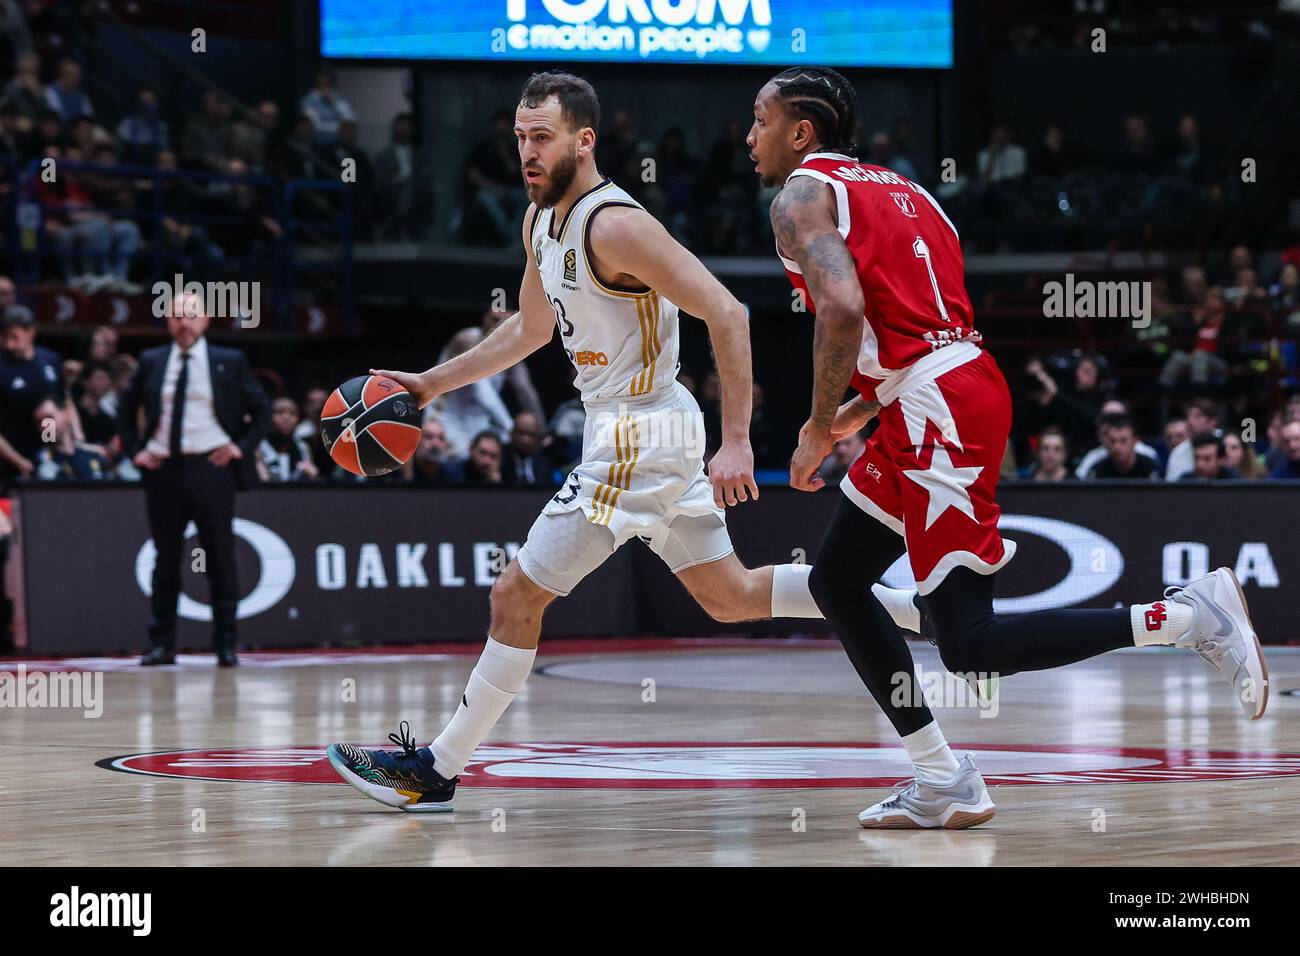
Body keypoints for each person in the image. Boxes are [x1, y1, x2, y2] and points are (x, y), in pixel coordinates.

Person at [326, 71, 914, 813]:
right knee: (729, 597)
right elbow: (530, 329)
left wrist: (736, 441)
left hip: (641, 429)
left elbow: (728, 312)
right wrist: (429, 384)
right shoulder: (540, 221)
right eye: (519, 138)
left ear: (584, 139)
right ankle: (919, 609)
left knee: (515, 594)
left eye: (541, 138)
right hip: (635, 430)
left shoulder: (616, 223)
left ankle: (436, 769)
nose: (528, 153)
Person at [749, 66, 1269, 829]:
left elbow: (842, 307)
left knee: (971, 645)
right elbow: (923, 332)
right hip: (937, 392)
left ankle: (1185, 618)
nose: (750, 135)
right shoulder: (915, 196)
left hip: (937, 407)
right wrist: (852, 416)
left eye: (760, 119)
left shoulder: (799, 195)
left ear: (801, 132)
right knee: (838, 580)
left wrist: (814, 421)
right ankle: (942, 778)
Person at [117, 293, 269, 667]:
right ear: (168, 322)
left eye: (191, 316)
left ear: (205, 320)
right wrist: (135, 449)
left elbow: (261, 407)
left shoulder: (228, 361)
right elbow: (125, 407)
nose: (184, 323)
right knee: (164, 558)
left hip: (211, 468)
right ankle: (162, 644)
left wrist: (239, 447)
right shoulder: (152, 361)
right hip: (163, 470)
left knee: (220, 558)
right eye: (177, 317)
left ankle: (225, 644)